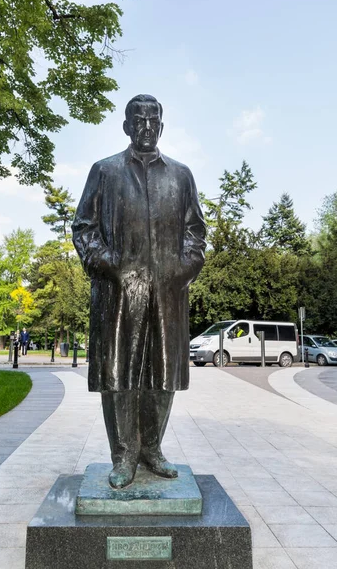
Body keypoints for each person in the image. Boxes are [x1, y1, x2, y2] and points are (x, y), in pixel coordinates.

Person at [72, 94, 206, 489]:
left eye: (153, 120)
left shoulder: (181, 175)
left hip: (167, 290)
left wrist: (182, 269)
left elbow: (195, 231)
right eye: (138, 120)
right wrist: (109, 267)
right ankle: (124, 455)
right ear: (127, 125)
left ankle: (152, 448)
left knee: (162, 375)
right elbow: (84, 228)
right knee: (119, 375)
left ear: (161, 126)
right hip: (118, 292)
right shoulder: (105, 171)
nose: (146, 126)